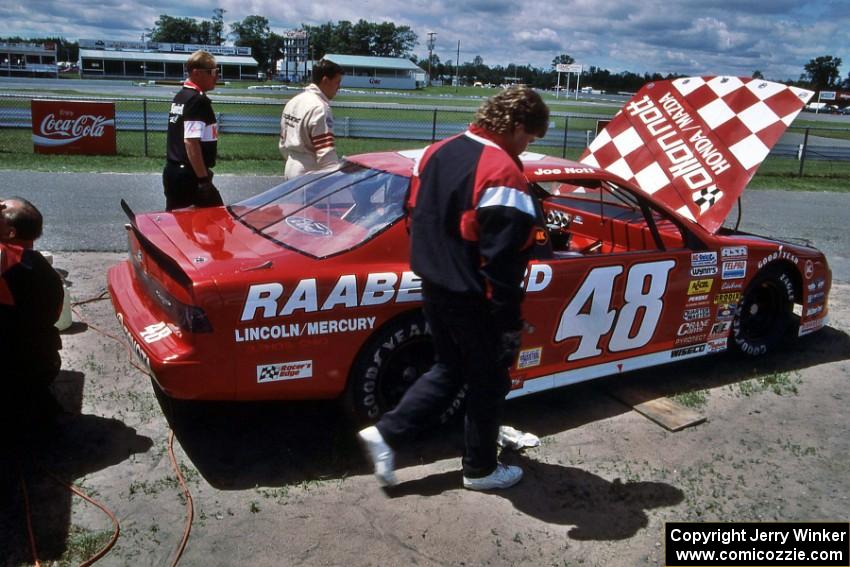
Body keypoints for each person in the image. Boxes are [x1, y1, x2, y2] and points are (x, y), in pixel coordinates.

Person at [358, 86, 550, 491]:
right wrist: (508, 319)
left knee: (449, 368)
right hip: (473, 296)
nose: (527, 147)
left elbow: (414, 215)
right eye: (529, 138)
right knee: (490, 379)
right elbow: (502, 259)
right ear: (515, 126)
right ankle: (479, 469)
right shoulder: (504, 171)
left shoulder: (436, 151)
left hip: (433, 284)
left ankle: (386, 433)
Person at [0, 197, 65, 422]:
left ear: (10, 233)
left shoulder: (8, 261)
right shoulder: (38, 266)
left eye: (1, 210)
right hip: (42, 364)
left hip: (16, 374)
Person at [162, 50, 224, 211]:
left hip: (175, 172)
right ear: (196, 73)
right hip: (189, 176)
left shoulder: (181, 96)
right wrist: (203, 180)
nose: (216, 76)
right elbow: (191, 142)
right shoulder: (198, 100)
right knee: (217, 221)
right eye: (212, 72)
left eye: (217, 72)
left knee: (181, 227)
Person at [279, 59, 344, 180]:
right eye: (337, 82)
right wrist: (335, 177)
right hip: (308, 173)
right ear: (325, 81)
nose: (339, 87)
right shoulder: (320, 108)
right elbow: (325, 152)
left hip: (289, 166)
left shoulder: (293, 101)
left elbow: (283, 143)